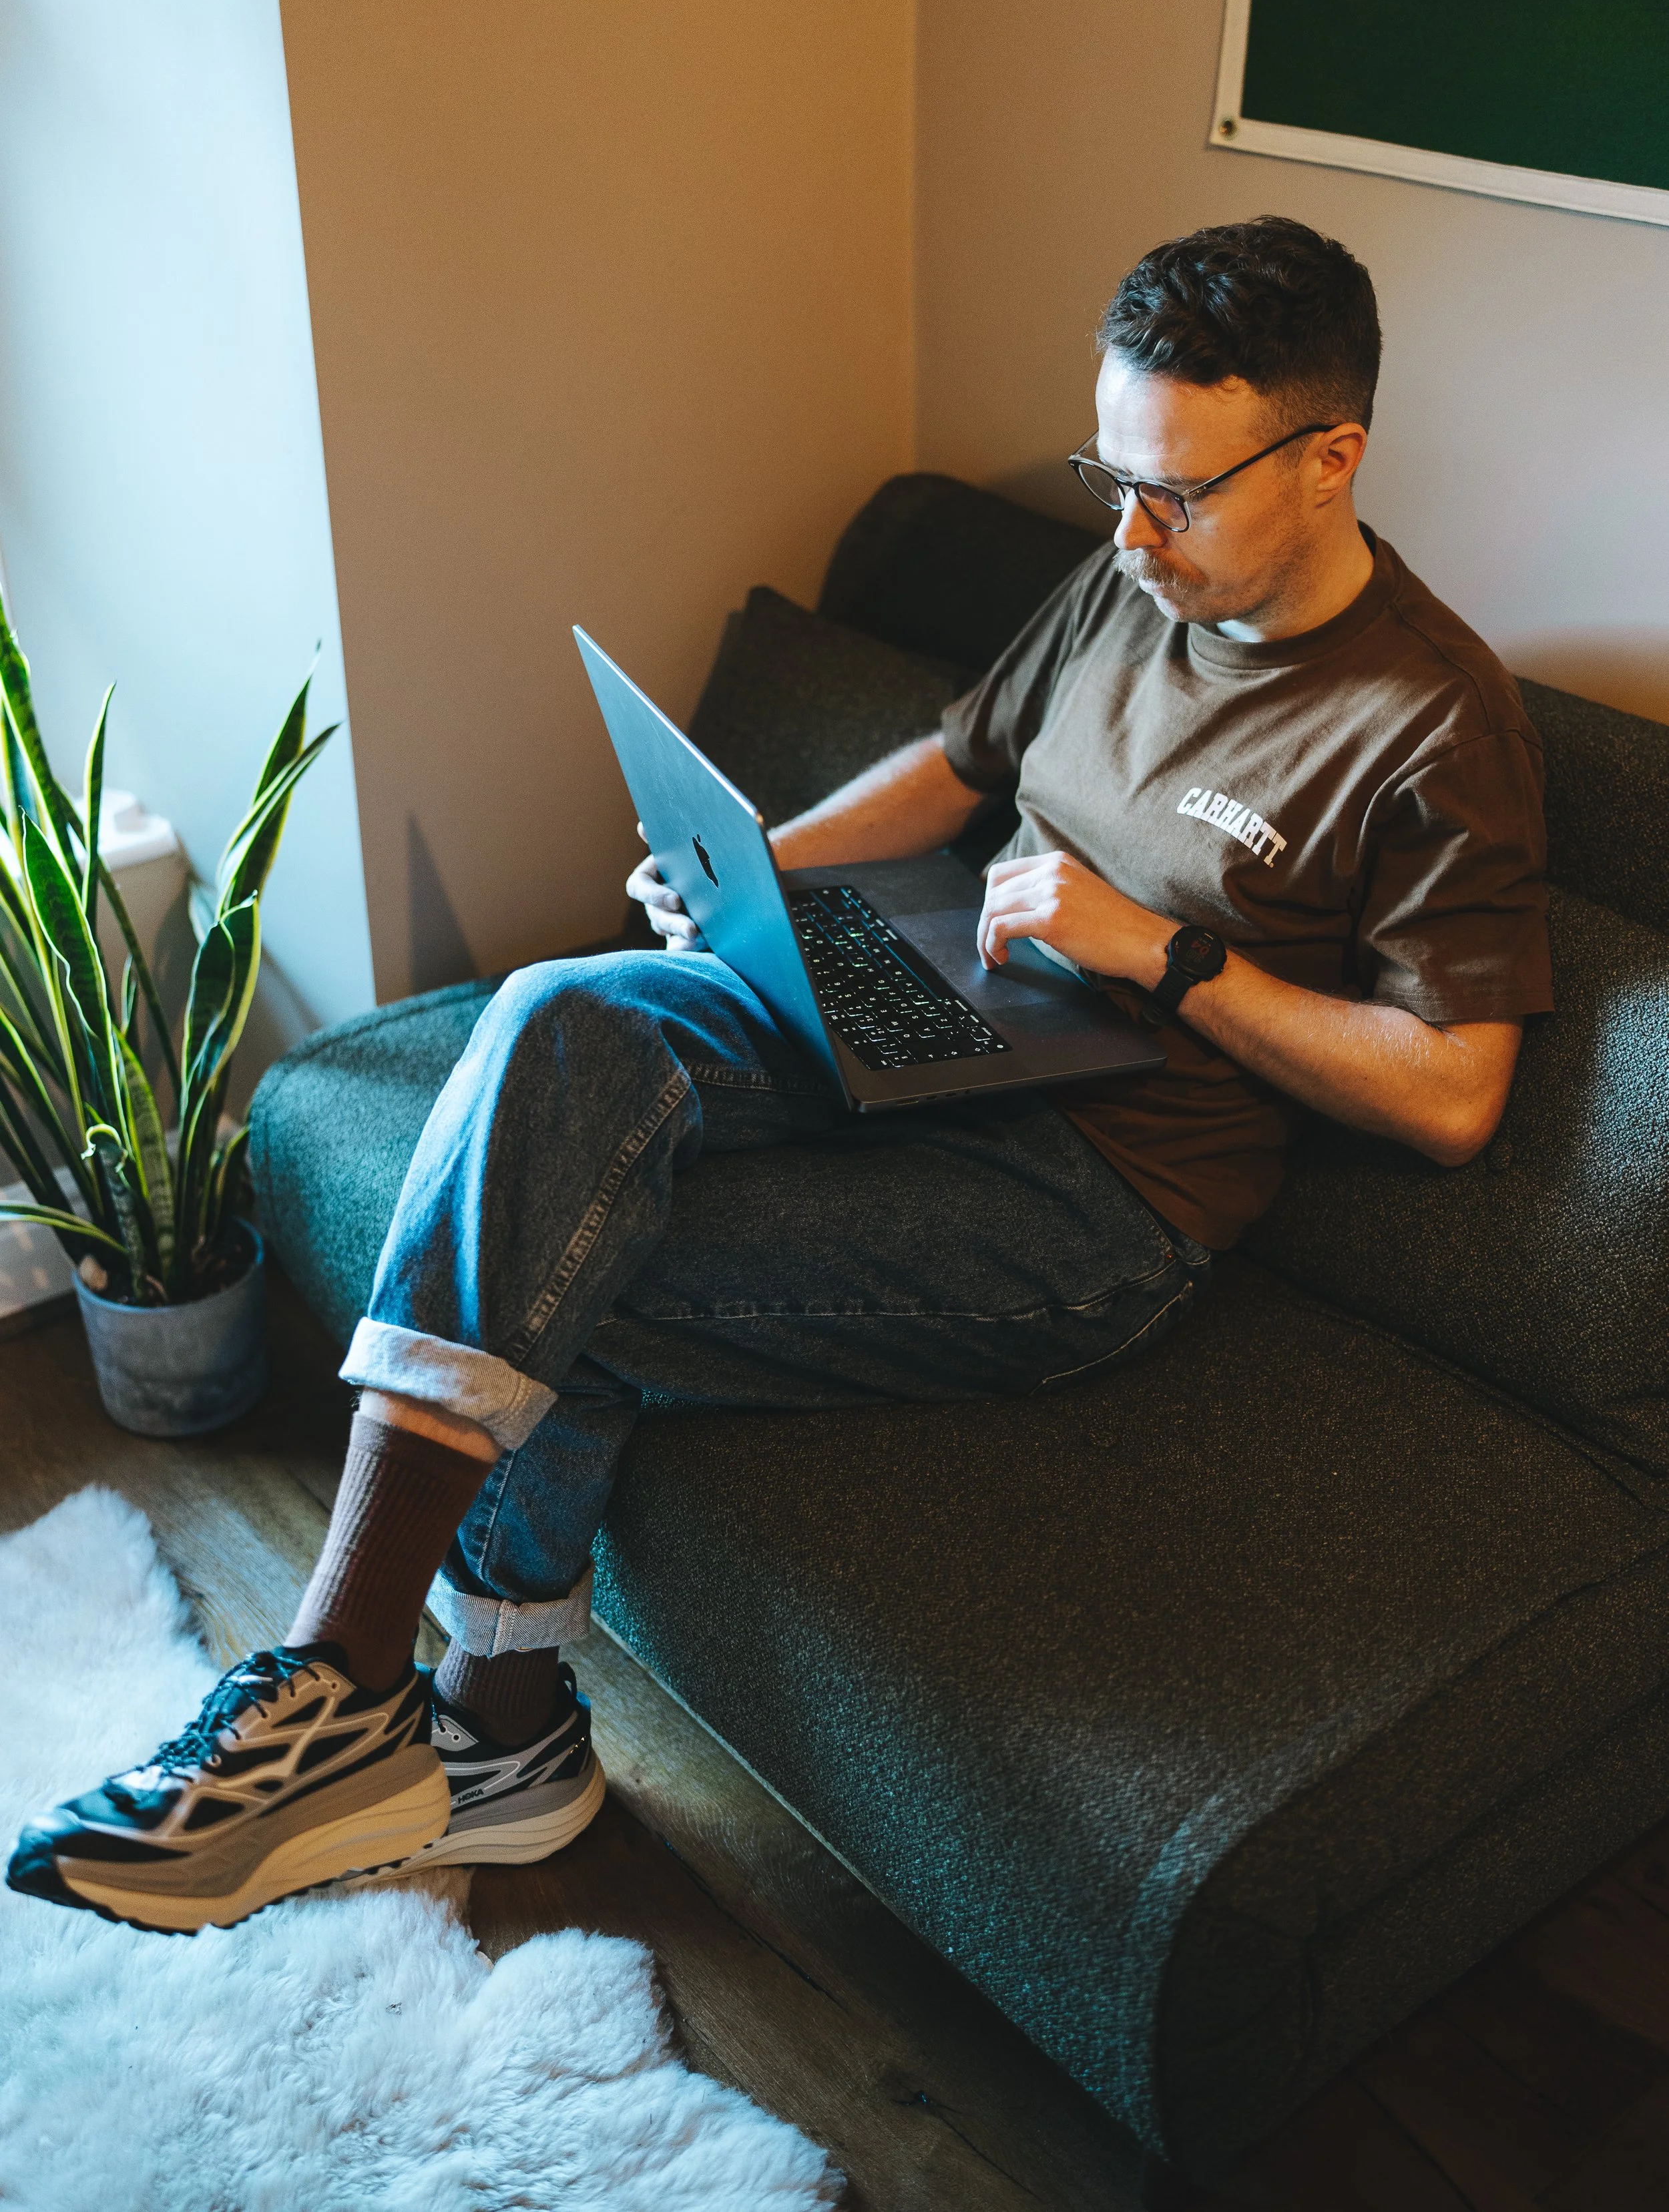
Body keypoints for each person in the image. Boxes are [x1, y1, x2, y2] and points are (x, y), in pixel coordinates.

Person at [9, 216, 1552, 1933]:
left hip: (1090, 1201)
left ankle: (404, 1707)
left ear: (1329, 457)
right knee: (556, 1016)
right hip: (924, 1016)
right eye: (1108, 474)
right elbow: (959, 762)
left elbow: (1448, 1093)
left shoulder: (1433, 724)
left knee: (559, 1240)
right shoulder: (1126, 584)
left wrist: (1169, 953)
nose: (1128, 532)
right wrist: (760, 875)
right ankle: (426, 1718)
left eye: (1172, 494)